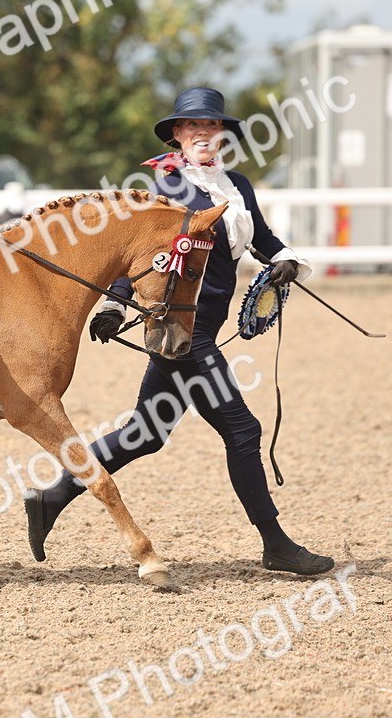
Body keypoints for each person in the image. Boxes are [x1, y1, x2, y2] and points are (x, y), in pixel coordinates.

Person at [23, 87, 334, 576]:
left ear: (223, 133)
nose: (202, 133)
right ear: (177, 135)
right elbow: (139, 254)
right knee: (243, 429)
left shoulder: (237, 186)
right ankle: (276, 544)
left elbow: (263, 238)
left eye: (211, 125)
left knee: (146, 433)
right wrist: (113, 303)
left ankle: (52, 496)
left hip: (206, 324)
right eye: (193, 126)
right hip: (181, 329)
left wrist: (286, 260)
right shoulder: (168, 189)